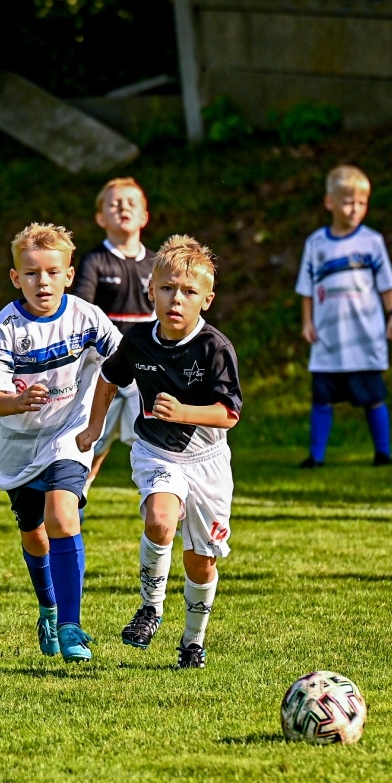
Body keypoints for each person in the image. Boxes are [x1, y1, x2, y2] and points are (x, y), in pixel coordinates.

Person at [78, 236, 242, 670]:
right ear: (151, 290)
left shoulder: (215, 348)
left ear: (206, 299)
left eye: (189, 292)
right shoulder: (136, 341)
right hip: (156, 450)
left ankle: (192, 641)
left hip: (207, 460)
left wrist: (185, 411)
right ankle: (150, 608)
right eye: (167, 288)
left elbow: (228, 414)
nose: (176, 299)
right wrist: (95, 428)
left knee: (201, 562)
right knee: (160, 520)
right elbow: (108, 379)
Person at [0, 223, 121, 663]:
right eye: (32, 273)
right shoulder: (5, 327)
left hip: (68, 433)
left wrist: (99, 420)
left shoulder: (87, 317)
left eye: (52, 272)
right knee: (35, 535)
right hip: (17, 446)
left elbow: (122, 362)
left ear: (69, 274)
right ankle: (48, 607)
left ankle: (71, 625)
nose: (43, 282)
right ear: (15, 277)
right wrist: (17, 402)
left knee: (62, 515)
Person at [296, 164, 392, 469]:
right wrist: (307, 321)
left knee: (373, 396)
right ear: (329, 202)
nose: (355, 209)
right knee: (322, 398)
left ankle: (383, 453)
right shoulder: (316, 243)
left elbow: (387, 284)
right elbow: (306, 287)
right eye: (347, 202)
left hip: (365, 338)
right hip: (329, 339)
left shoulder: (372, 241)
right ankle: (316, 456)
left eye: (361, 203)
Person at [71, 178, 156, 495]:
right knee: (91, 445)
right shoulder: (94, 260)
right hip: (103, 372)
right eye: (114, 203)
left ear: (144, 216)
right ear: (100, 218)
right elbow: (81, 314)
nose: (123, 208)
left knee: (153, 445)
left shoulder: (156, 263)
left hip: (143, 375)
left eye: (131, 203)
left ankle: (161, 505)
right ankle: (75, 499)